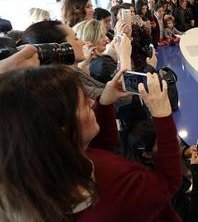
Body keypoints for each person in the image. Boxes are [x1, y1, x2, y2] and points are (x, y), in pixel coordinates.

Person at [0, 66, 183, 221]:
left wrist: (104, 103)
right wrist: (162, 115)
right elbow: (167, 182)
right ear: (61, 130)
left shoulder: (49, 169)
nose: (90, 101)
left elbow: (101, 146)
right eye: (82, 104)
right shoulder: (119, 189)